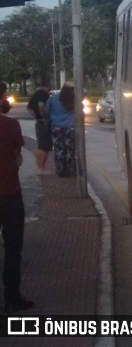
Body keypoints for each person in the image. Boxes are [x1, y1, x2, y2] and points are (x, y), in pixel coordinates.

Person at [0, 81, 34, 314]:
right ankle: (12, 297)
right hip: (9, 195)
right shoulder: (11, 126)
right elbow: (17, 158)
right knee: (13, 250)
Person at [45, 83, 77, 177]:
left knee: (59, 149)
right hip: (70, 127)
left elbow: (46, 111)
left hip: (56, 127)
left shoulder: (53, 98)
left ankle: (61, 169)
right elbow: (85, 91)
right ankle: (70, 168)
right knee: (70, 149)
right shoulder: (73, 99)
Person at [27, 81, 53, 175]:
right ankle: (41, 168)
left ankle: (40, 167)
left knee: (42, 145)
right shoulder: (43, 94)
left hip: (39, 122)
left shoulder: (35, 94)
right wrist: (43, 117)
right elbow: (41, 105)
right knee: (44, 146)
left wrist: (36, 117)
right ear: (48, 85)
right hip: (43, 123)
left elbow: (29, 108)